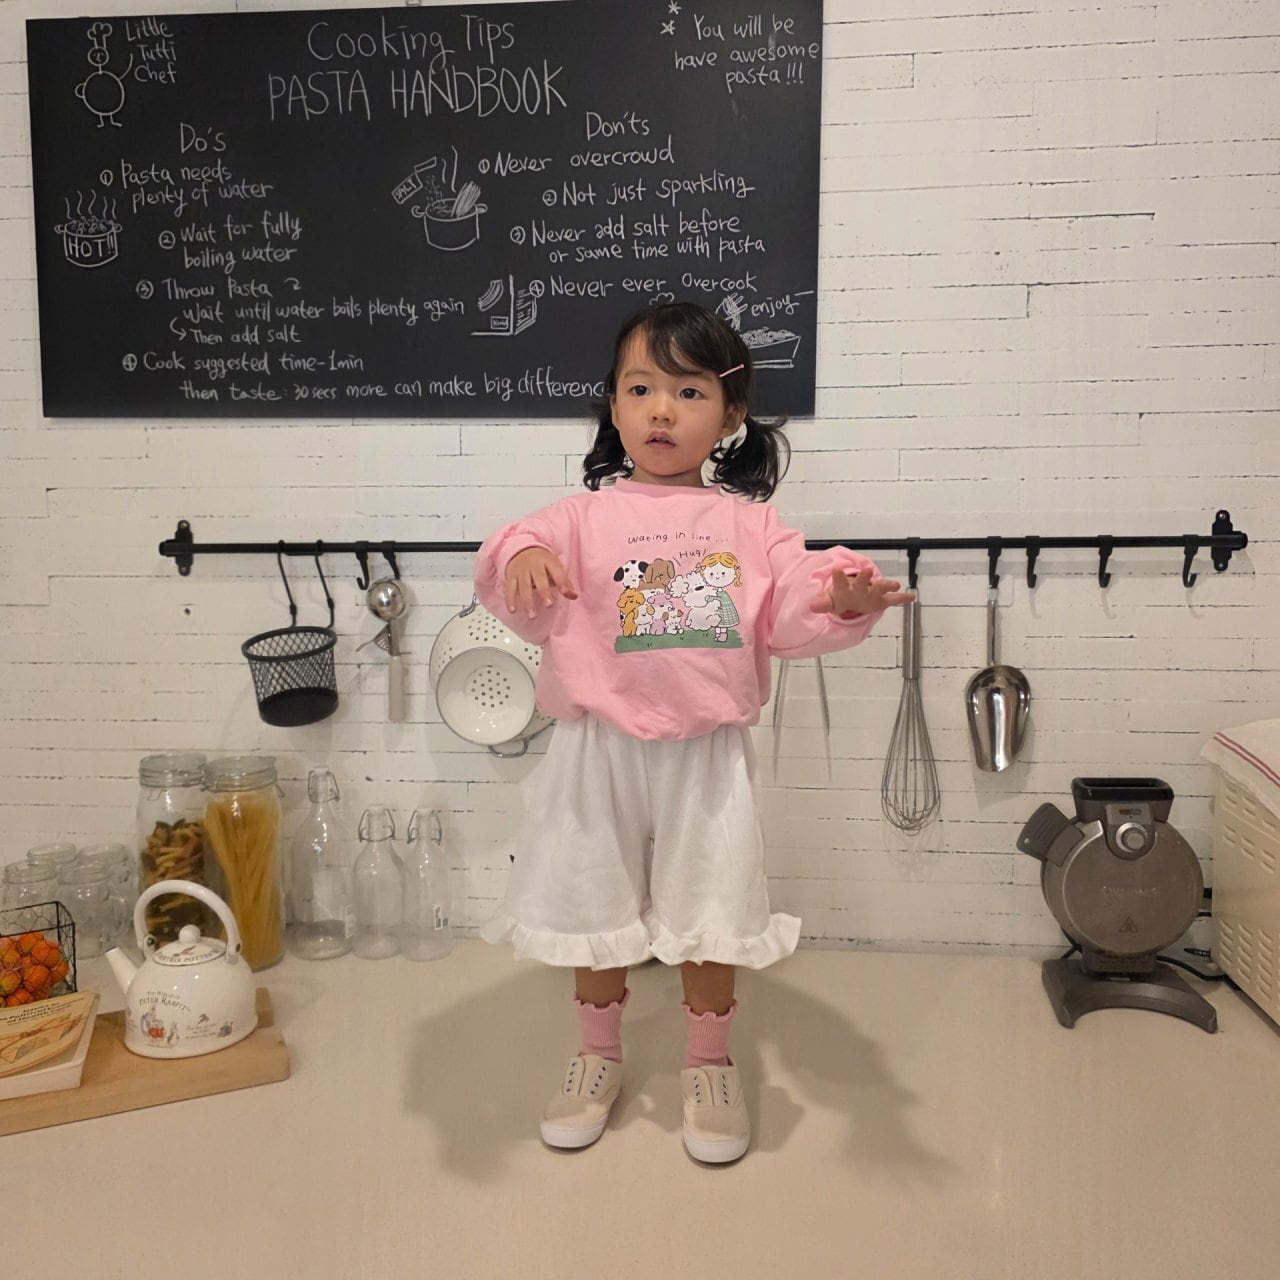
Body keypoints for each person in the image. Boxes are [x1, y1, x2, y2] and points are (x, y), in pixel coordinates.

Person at [474, 302, 911, 1163]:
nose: (662, 410)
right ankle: (598, 1055)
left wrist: (839, 595)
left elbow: (795, 597)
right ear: (613, 403)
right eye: (640, 389)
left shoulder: (749, 527)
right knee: (592, 900)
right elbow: (515, 548)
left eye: (689, 390)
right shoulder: (579, 519)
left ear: (731, 412)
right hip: (597, 747)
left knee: (712, 907)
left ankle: (709, 1064)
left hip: (706, 754)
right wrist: (521, 556)